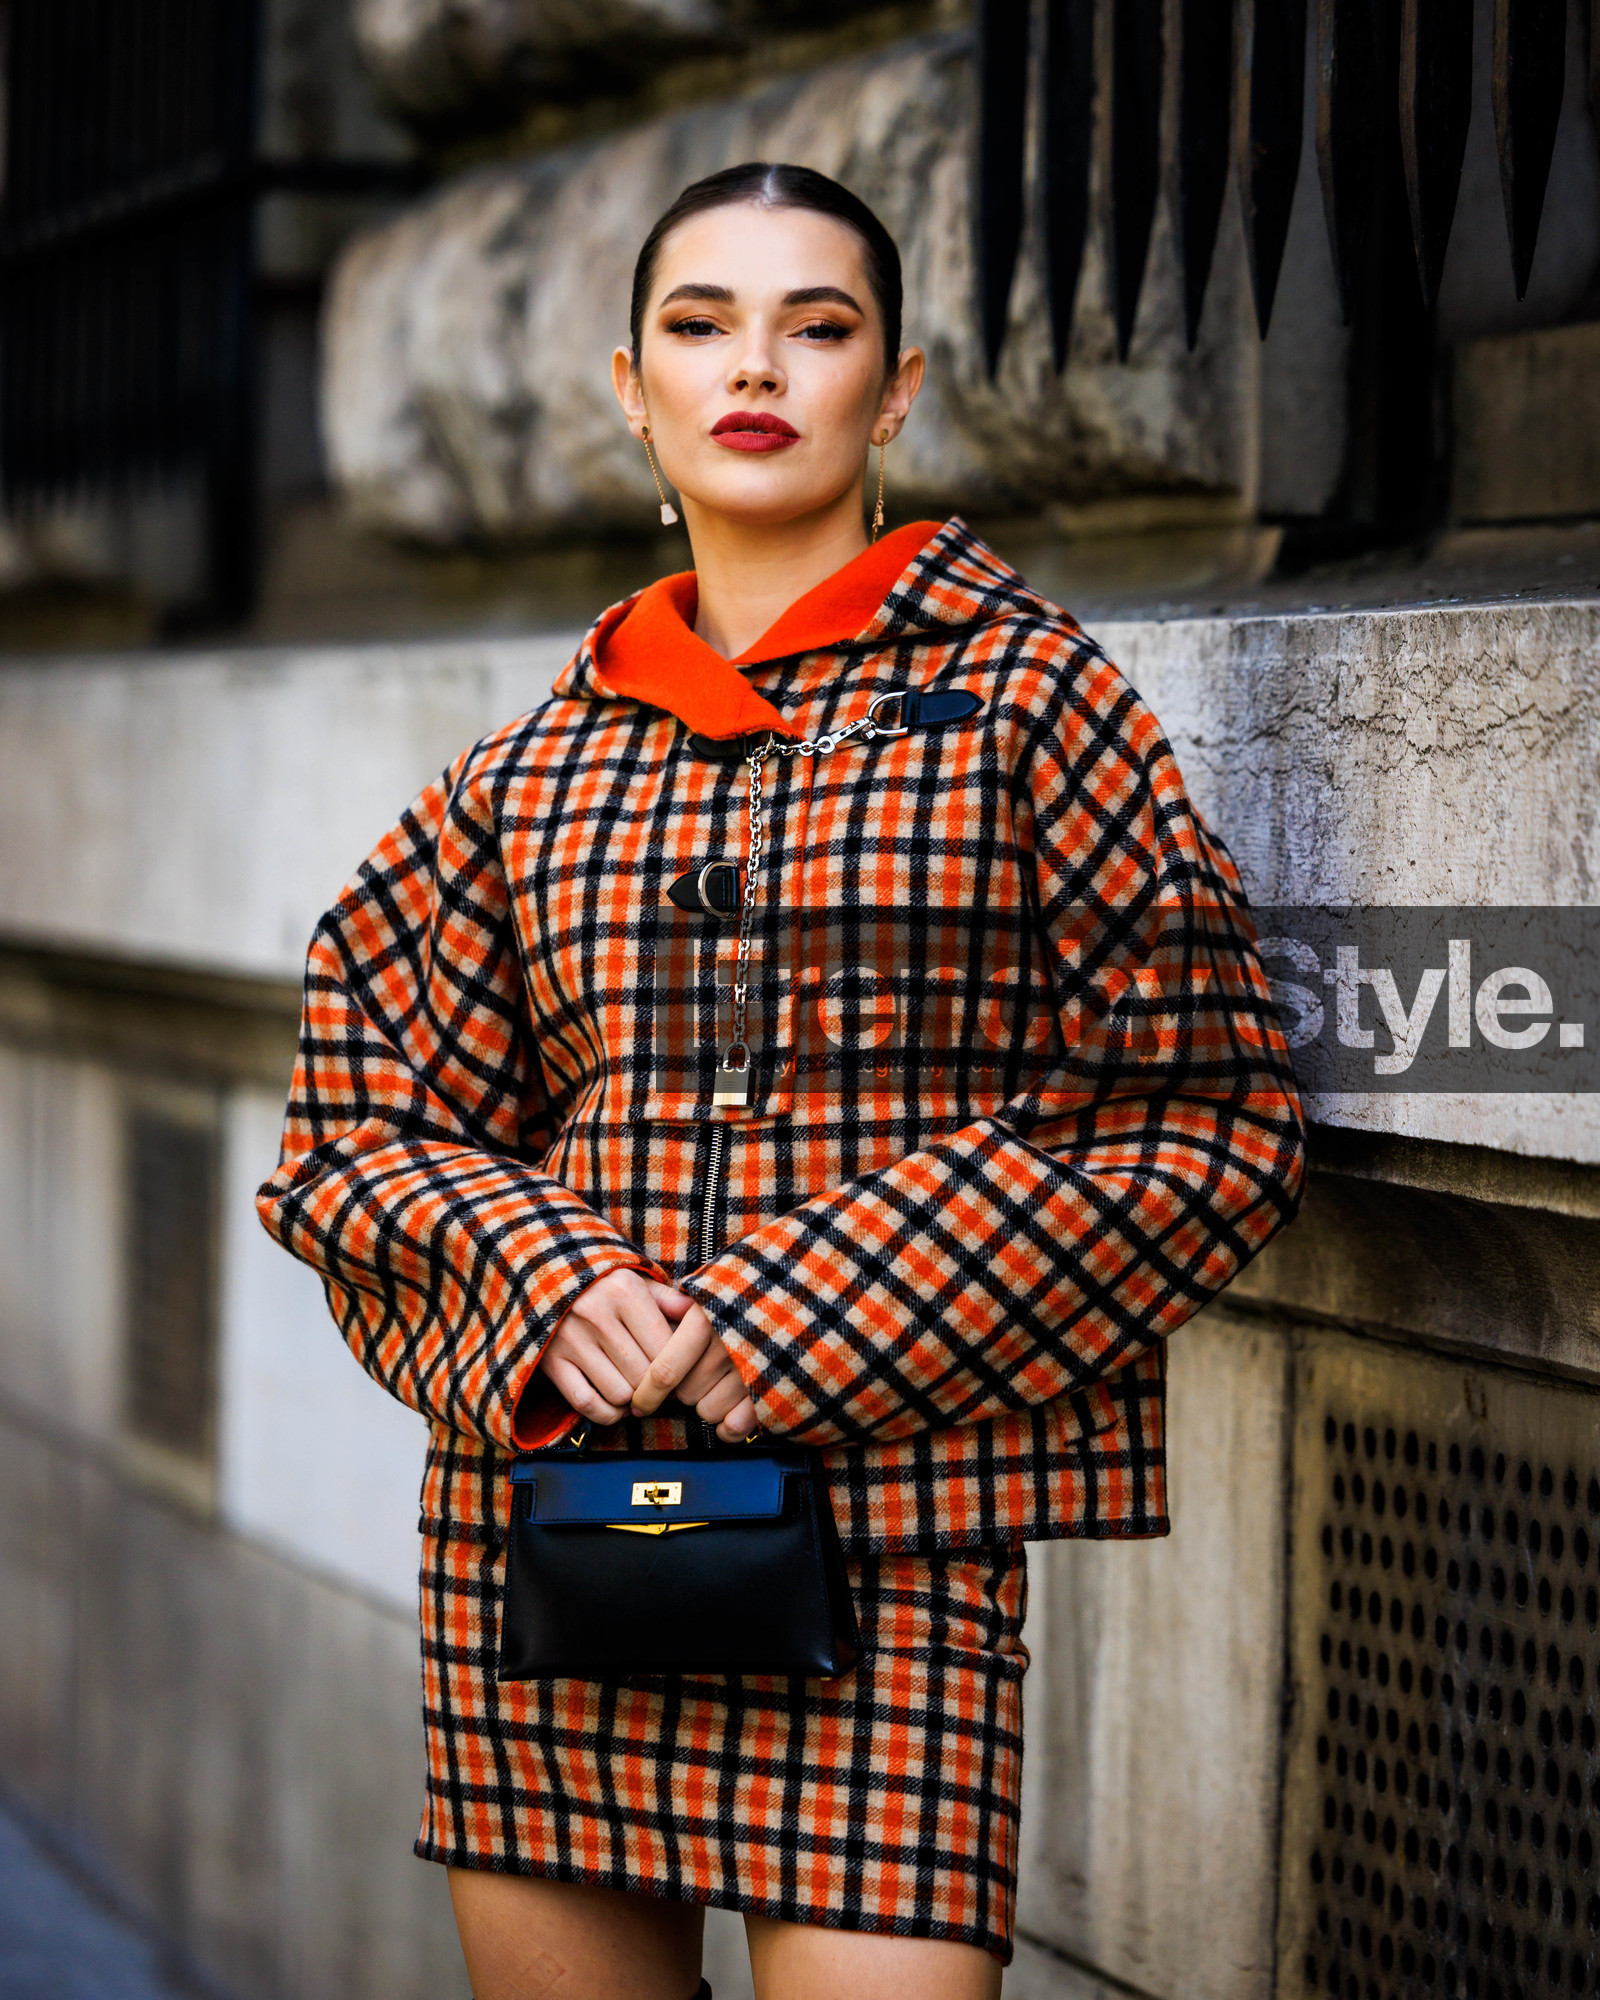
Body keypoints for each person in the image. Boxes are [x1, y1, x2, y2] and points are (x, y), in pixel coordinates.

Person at [258, 161, 1306, 2000]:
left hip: (897, 1542)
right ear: (631, 386)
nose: (755, 368)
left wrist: (796, 1318)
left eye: (816, 328)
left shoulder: (1035, 705)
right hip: (554, 1538)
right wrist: (541, 1277)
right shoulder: (528, 767)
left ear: (894, 392)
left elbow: (1202, 1120)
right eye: (701, 325)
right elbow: (358, 1127)